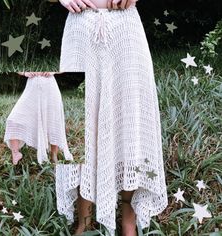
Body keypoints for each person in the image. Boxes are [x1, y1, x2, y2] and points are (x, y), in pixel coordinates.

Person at [55, 0, 168, 235]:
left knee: (130, 119)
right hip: (80, 28)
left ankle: (128, 217)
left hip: (125, 26)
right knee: (81, 121)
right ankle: (84, 218)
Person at [4, 72, 73, 165]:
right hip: (31, 90)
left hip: (50, 88)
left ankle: (54, 154)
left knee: (53, 122)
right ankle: (15, 153)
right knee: (13, 119)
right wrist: (24, 73)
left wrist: (53, 71)